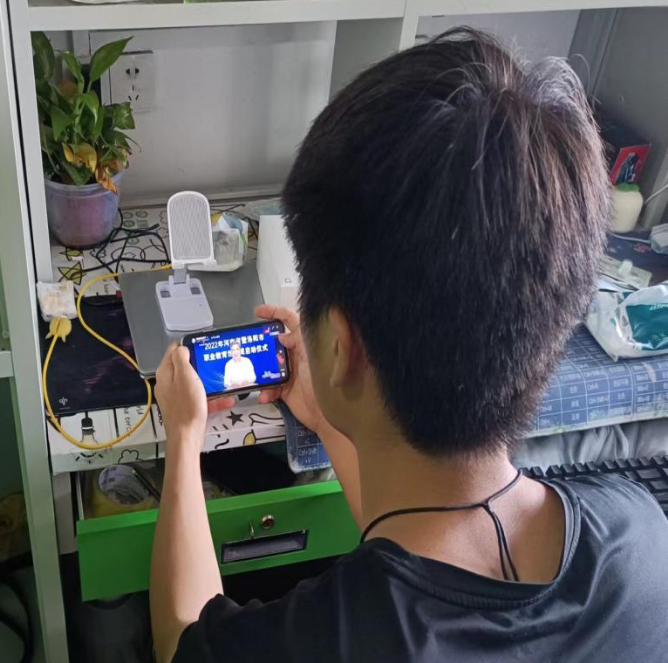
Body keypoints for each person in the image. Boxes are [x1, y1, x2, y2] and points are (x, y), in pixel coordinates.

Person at [150, 28, 668, 663]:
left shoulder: (310, 643)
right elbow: (420, 549)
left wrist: (183, 439)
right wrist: (330, 418)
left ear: (341, 347)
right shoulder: (642, 537)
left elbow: (180, 640)